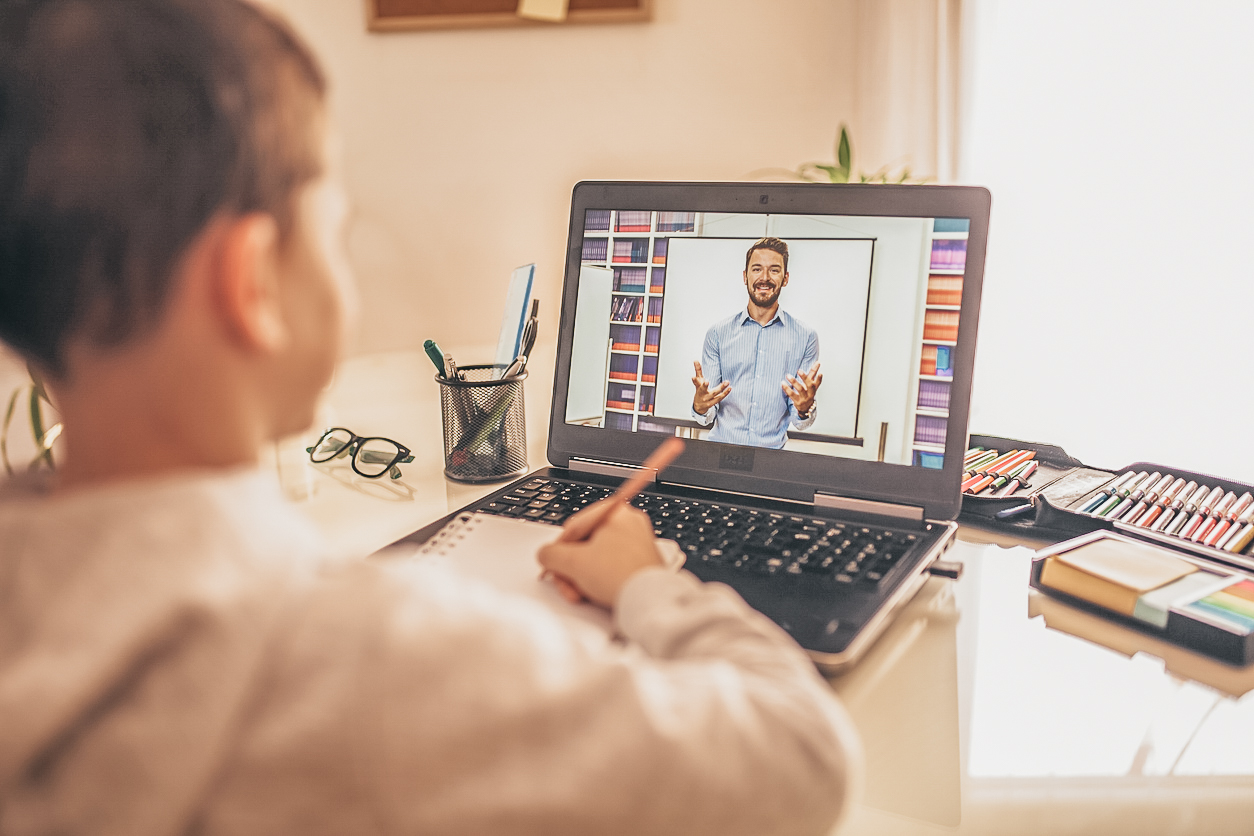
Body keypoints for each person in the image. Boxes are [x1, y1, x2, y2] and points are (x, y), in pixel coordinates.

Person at [0, 1, 860, 834]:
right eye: (336, 235)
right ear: (251, 284)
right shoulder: (361, 662)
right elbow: (801, 760)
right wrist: (648, 584)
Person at [691, 237, 824, 449]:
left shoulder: (806, 337)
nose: (764, 278)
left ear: (785, 278)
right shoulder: (717, 334)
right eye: (756, 269)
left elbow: (801, 421)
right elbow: (706, 414)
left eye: (774, 270)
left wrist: (804, 409)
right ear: (745, 276)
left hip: (770, 459)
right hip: (718, 453)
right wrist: (699, 406)